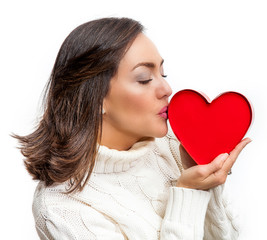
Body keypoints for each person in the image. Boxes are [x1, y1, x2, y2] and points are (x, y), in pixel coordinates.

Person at [14, 17, 252, 240]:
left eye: (163, 72)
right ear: (95, 98)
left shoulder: (172, 145)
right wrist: (188, 193)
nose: (167, 88)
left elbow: (228, 234)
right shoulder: (61, 209)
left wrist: (207, 181)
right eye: (144, 78)